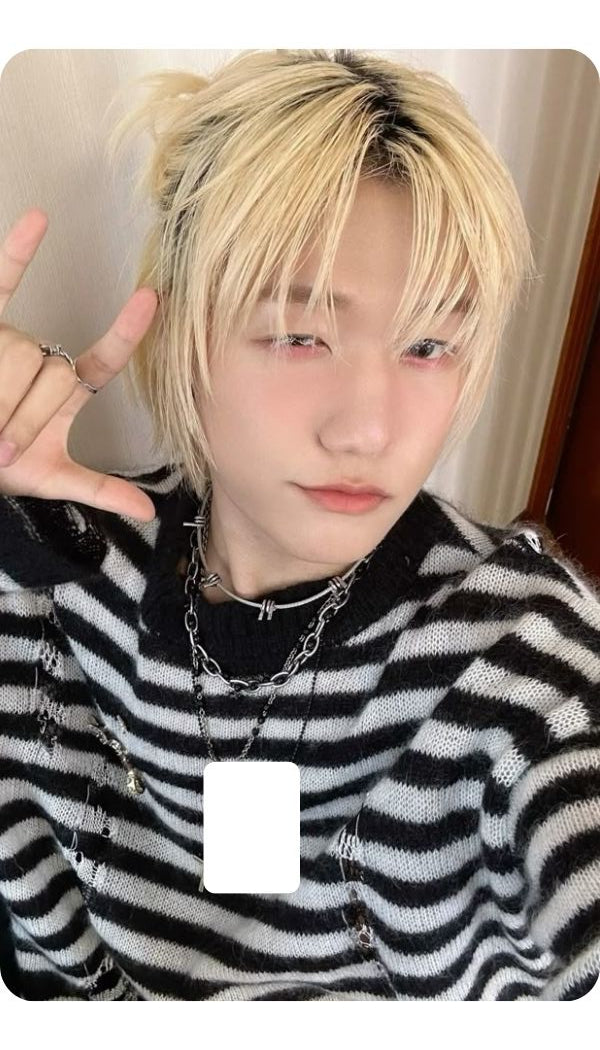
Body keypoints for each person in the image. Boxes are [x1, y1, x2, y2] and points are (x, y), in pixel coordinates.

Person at [0, 48, 599, 1002]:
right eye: (300, 335)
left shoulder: (518, 652)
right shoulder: (57, 568)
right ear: (183, 331)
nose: (369, 432)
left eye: (429, 345)